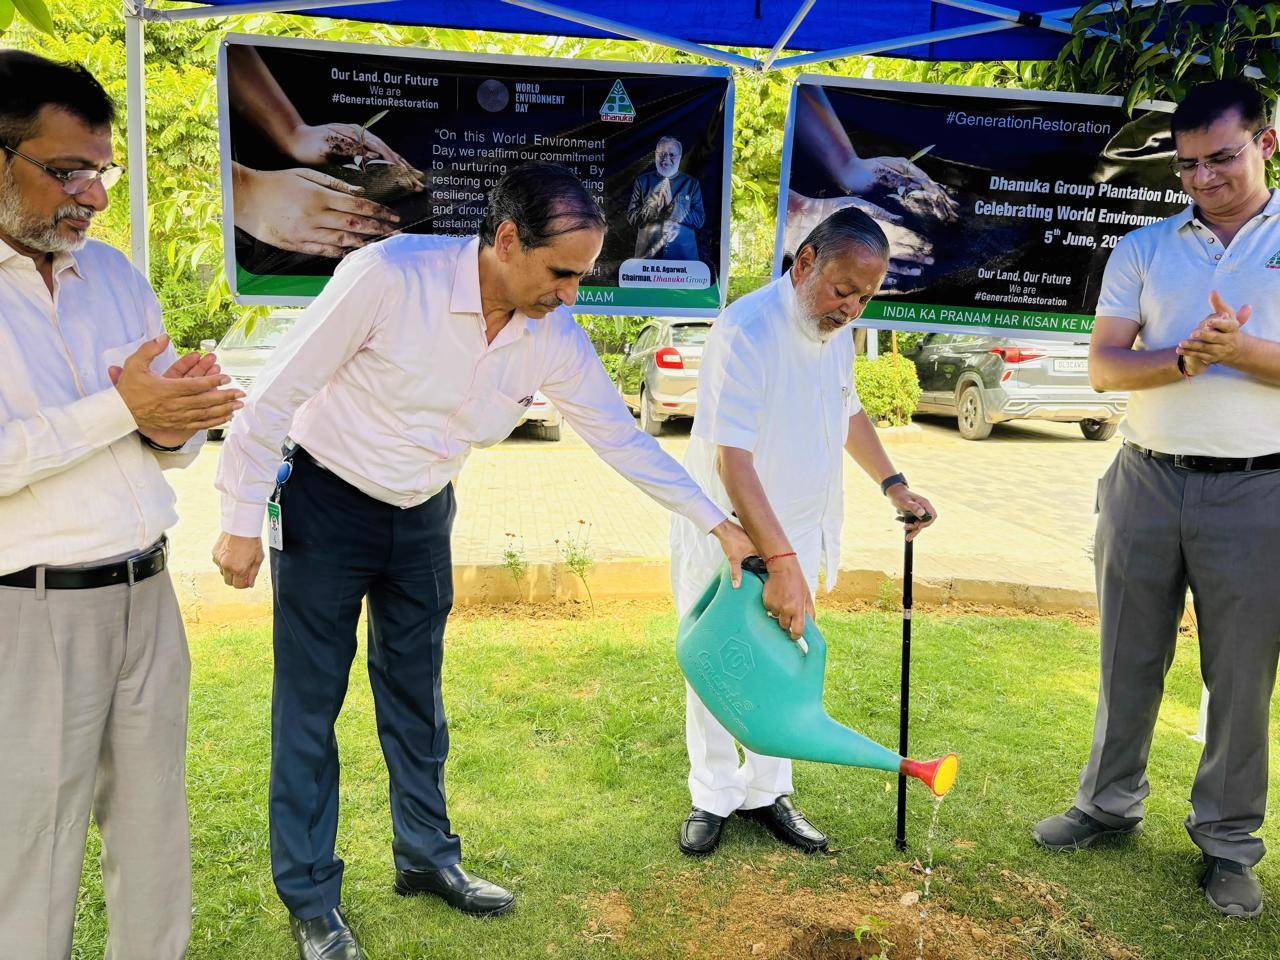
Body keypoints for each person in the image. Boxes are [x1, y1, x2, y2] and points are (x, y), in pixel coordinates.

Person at [212, 163, 755, 960]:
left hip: (424, 514)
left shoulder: (553, 337)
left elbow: (622, 439)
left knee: (417, 702)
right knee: (308, 710)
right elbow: (278, 391)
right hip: (326, 505)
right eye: (560, 272)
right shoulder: (389, 278)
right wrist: (236, 520)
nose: (571, 293)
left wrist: (718, 524)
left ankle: (427, 859)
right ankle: (311, 898)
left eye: (581, 274)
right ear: (506, 241)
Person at [0, 51, 244, 959]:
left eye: (98, 171)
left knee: (153, 838)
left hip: (148, 593)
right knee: (31, 848)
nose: (93, 196)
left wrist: (180, 416)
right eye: (66, 170)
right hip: (27, 611)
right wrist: (124, 408)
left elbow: (157, 446)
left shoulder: (112, 275)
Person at [1032, 77, 1280, 921]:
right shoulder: (1142, 246)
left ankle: (1229, 845)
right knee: (1125, 657)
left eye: (1222, 158)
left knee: (1241, 678)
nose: (1203, 179)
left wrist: (1242, 351)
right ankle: (1106, 803)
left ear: (1267, 144)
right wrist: (1183, 360)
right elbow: (1106, 366)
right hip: (1143, 478)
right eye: (1187, 166)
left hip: (1258, 488)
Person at [670, 206, 937, 857]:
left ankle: (768, 792)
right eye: (842, 291)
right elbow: (734, 461)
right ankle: (712, 795)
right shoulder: (748, 331)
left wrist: (892, 482)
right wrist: (779, 561)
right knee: (720, 666)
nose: (850, 309)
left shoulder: (835, 334)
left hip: (797, 536)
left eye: (865, 299)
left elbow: (847, 411)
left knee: (786, 667)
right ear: (805, 262)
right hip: (731, 538)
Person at [626, 136, 705, 260]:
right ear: (655, 155)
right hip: (648, 257)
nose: (666, 159)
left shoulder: (691, 184)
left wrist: (673, 207)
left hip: (682, 258)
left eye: (671, 155)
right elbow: (631, 217)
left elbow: (699, 220)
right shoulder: (642, 181)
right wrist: (652, 206)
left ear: (679, 157)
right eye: (661, 154)